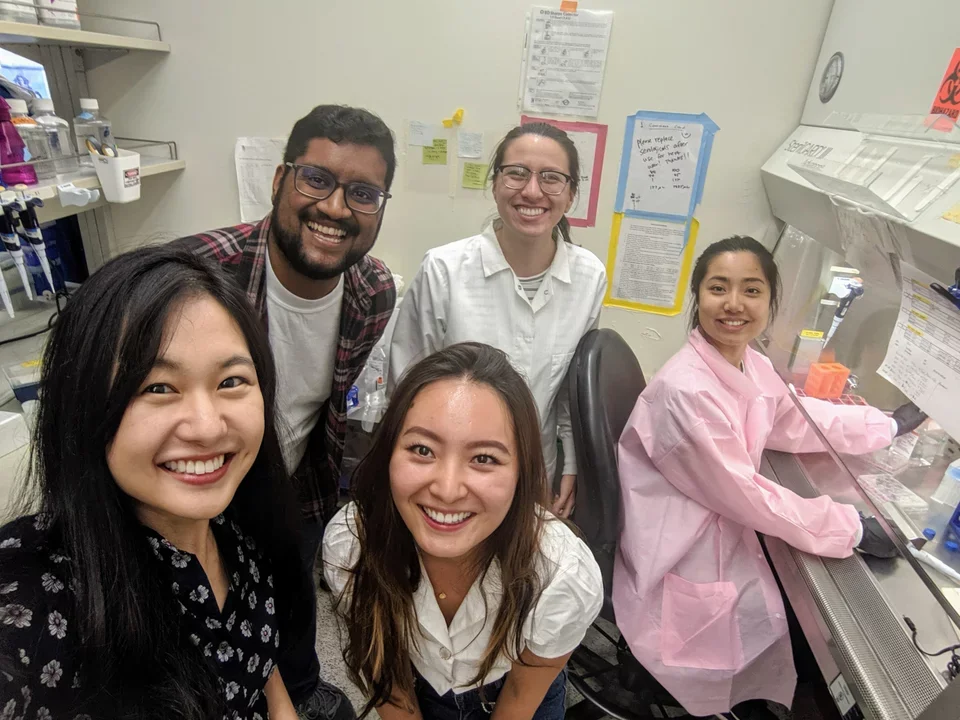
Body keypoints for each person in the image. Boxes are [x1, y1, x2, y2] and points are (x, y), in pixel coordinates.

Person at [612, 236, 926, 717]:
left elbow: (794, 418)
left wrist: (885, 425)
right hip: (685, 556)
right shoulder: (686, 393)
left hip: (715, 527)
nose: (734, 304)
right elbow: (746, 496)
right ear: (699, 297)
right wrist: (851, 527)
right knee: (795, 647)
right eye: (719, 288)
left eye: (751, 290)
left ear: (770, 301)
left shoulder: (749, 363)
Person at [0, 245, 313, 719]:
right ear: (83, 408)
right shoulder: (33, 606)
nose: (208, 427)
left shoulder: (241, 525)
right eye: (157, 388)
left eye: (231, 381)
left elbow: (262, 674)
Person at [178, 104, 397, 717]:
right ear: (279, 182)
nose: (334, 208)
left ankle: (300, 690)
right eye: (316, 179)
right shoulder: (197, 273)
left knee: (293, 594)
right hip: (196, 476)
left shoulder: (373, 289)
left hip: (295, 481)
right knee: (199, 618)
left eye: (362, 193)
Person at [324, 343, 603, 719]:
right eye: (422, 450)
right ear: (388, 453)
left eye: (484, 458)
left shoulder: (561, 577)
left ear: (522, 473)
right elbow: (391, 688)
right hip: (418, 684)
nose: (448, 489)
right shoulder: (352, 545)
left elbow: (521, 697)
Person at [388, 123, 606, 519]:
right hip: (447, 480)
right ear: (495, 183)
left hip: (534, 475)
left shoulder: (589, 277)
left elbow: (567, 392)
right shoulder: (444, 270)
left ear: (572, 194)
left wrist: (571, 463)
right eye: (517, 173)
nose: (532, 191)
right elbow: (406, 388)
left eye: (552, 178)